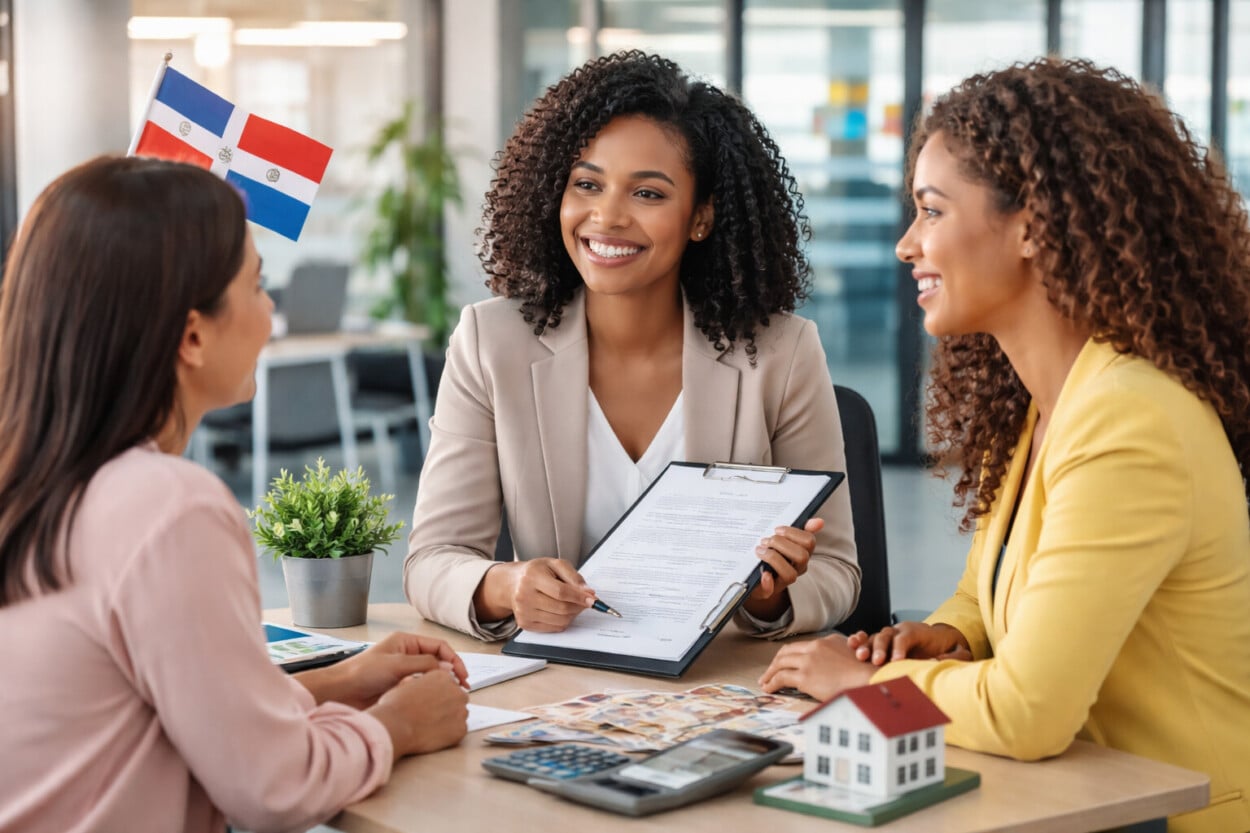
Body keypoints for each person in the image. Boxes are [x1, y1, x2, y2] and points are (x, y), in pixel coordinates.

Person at [759, 58, 1250, 833]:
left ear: (1031, 225)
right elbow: (995, 591)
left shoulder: (1130, 422)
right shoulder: (1048, 405)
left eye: (931, 211)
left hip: (1176, 816)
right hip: (1078, 801)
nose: (905, 244)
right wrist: (952, 634)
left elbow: (1029, 712)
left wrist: (855, 686)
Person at [0, 156, 470, 833]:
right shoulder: (166, 507)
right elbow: (276, 786)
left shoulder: (37, 479)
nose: (270, 309)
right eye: (258, 284)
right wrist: (395, 726)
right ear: (192, 334)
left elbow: (140, 718)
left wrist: (336, 683)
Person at [405, 51, 859, 640]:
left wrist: (771, 598)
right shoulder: (492, 343)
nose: (607, 216)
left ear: (701, 217)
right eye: (587, 184)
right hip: (561, 677)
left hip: (719, 681)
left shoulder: (781, 352)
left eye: (648, 194)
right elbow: (433, 560)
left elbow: (839, 571)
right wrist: (508, 587)